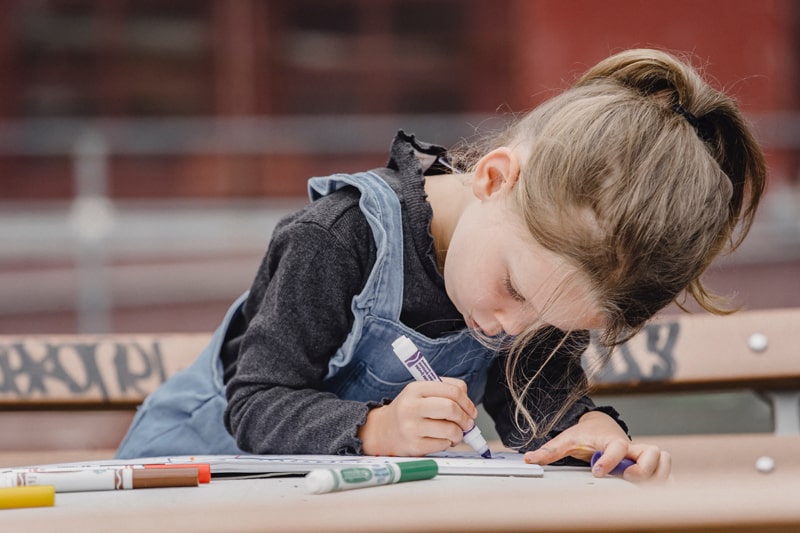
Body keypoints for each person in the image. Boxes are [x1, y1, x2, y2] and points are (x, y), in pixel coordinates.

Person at [116, 49, 766, 483]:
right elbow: (255, 403)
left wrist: (583, 429)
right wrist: (376, 428)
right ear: (493, 175)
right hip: (187, 474)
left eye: (550, 321)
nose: (507, 327)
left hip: (318, 499)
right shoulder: (337, 238)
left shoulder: (543, 275)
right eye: (512, 288)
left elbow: (529, 392)